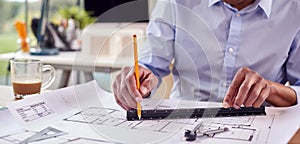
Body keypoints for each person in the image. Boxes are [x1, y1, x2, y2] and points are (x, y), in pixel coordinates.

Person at [113, 0, 300, 110]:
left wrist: (270, 89)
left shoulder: (294, 10)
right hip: (183, 122)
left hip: (262, 126)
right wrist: (140, 80)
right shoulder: (175, 3)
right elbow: (151, 66)